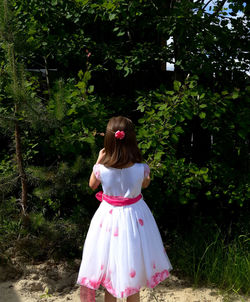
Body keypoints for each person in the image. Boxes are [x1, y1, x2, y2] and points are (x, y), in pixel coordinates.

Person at [77, 116, 173, 302]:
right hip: (135, 219)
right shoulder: (142, 168)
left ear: (109, 140)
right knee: (133, 274)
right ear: (131, 139)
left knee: (109, 276)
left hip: (107, 220)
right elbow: (145, 185)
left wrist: (98, 160)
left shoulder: (101, 169)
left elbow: (92, 185)